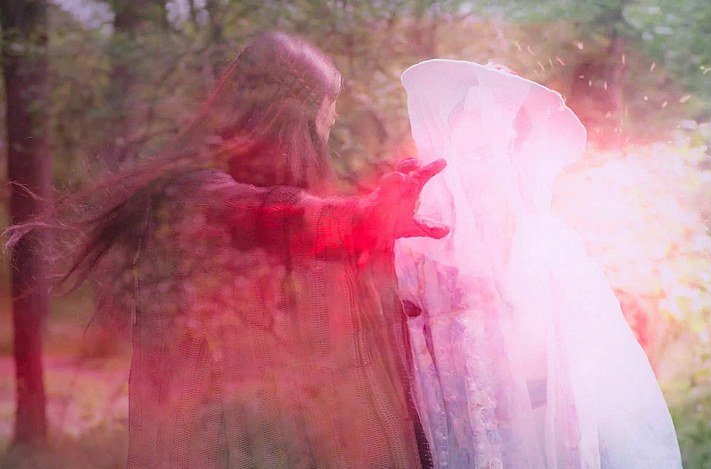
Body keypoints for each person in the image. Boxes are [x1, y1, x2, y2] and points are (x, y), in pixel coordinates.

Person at [17, 31, 445, 468]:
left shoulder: (270, 199)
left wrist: (402, 296)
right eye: (327, 101)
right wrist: (367, 217)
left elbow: (315, 289)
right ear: (288, 114)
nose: (333, 115)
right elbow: (275, 218)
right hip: (218, 438)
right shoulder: (193, 195)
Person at [395, 59, 682, 468]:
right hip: (468, 446)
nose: (477, 169)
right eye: (466, 151)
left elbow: (597, 370)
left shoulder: (553, 246)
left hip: (552, 439)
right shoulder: (419, 250)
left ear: (514, 154)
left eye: (488, 151)